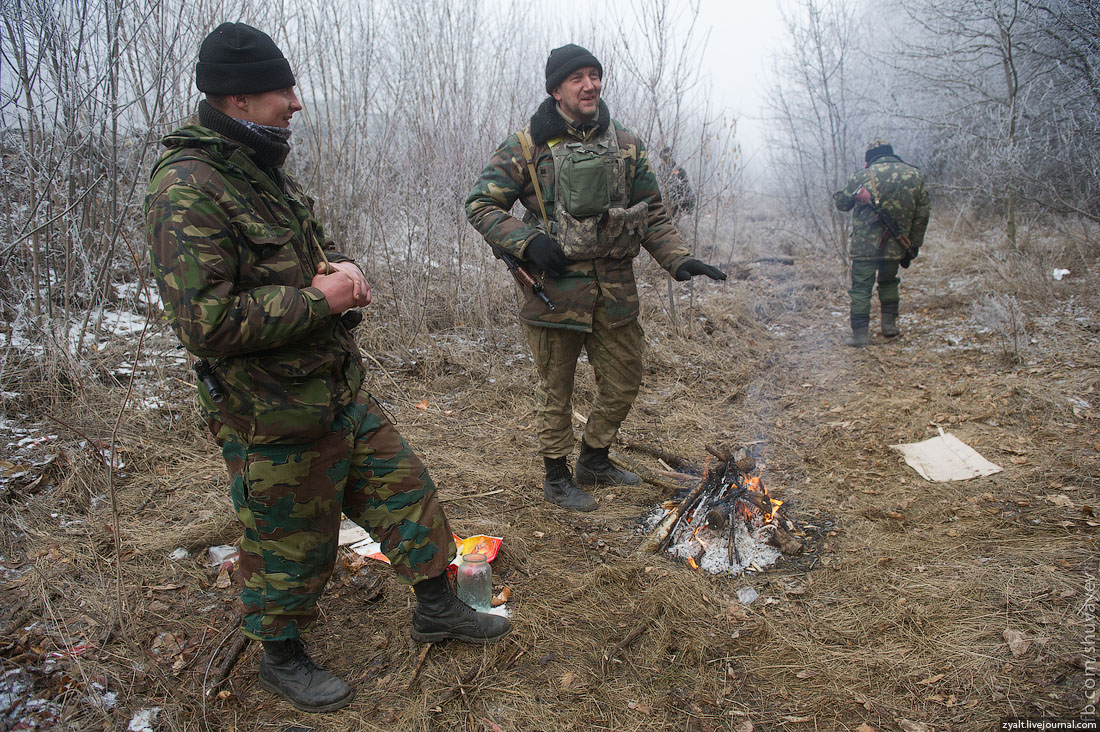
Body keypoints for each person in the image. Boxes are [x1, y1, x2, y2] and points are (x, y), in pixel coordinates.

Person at [145, 23, 509, 714]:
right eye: (283, 89)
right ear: (240, 99)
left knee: (407, 493)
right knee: (291, 542)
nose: (296, 102)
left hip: (335, 391)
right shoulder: (186, 188)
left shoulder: (258, 170)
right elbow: (206, 323)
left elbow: (304, 249)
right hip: (270, 412)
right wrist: (319, 298)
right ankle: (280, 658)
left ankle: (437, 607)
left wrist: (341, 269)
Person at [465, 44, 727, 512]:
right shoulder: (527, 146)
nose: (589, 85)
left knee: (625, 379)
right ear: (556, 89)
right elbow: (481, 204)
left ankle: (595, 458)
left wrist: (679, 259)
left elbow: (652, 214)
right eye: (577, 78)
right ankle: (556, 476)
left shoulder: (626, 144)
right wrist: (527, 242)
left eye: (595, 75)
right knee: (556, 390)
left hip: (615, 290)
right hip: (553, 293)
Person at [833, 138, 930, 347]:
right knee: (889, 282)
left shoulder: (862, 176)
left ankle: (859, 336)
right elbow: (922, 214)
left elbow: (842, 204)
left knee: (860, 290)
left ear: (869, 159)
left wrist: (845, 193)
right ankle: (890, 327)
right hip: (895, 246)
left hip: (864, 248)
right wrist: (912, 245)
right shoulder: (913, 174)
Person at [657, 146, 696, 219]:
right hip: (663, 204)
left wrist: (688, 209)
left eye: (665, 158)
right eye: (662, 158)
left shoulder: (678, 170)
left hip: (676, 203)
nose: (663, 160)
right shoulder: (660, 171)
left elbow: (686, 186)